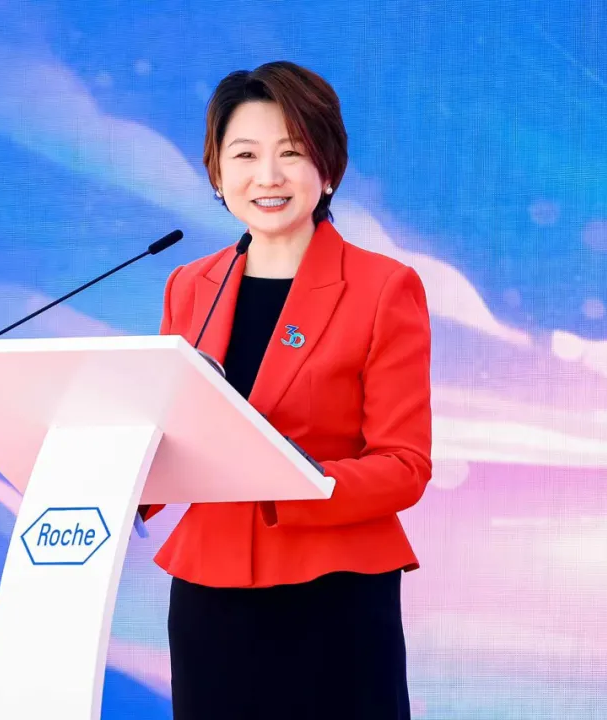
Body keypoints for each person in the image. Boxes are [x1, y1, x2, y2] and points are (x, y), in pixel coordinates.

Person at [140, 61, 432, 718]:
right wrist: (111, 485)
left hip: (335, 592)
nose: (267, 176)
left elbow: (405, 465)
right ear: (218, 173)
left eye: (292, 153)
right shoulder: (189, 285)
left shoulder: (384, 288)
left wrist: (292, 479)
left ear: (328, 169)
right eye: (245, 155)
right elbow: (171, 433)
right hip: (210, 589)